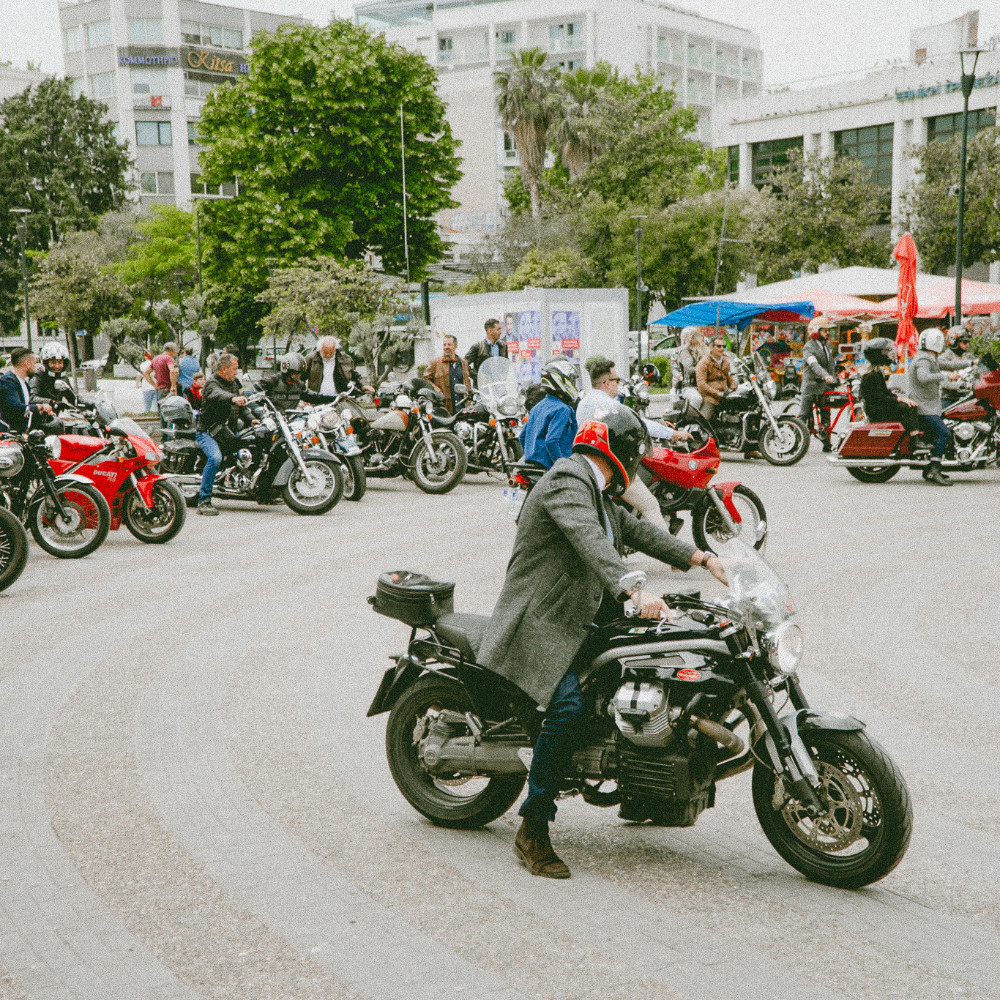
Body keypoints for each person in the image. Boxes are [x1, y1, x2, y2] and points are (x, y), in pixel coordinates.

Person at [479, 405, 728, 878]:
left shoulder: (596, 491)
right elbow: (589, 539)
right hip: (540, 622)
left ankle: (644, 792)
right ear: (626, 456)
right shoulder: (567, 480)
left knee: (643, 667)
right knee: (568, 708)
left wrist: (702, 557)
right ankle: (533, 827)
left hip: (577, 617)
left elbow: (637, 531)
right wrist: (632, 590)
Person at [579, 358, 691, 531]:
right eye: (616, 380)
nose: (618, 384)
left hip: (588, 465)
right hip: (610, 467)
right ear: (607, 383)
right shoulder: (609, 405)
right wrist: (673, 434)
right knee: (650, 505)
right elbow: (639, 422)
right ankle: (668, 546)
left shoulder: (583, 403)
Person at [195, 353, 251, 515]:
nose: (236, 372)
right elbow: (217, 394)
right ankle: (204, 501)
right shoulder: (211, 383)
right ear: (224, 369)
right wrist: (233, 398)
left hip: (226, 431)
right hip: (208, 432)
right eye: (234, 369)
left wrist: (253, 419)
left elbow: (242, 407)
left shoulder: (234, 383)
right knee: (215, 458)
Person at [907, 328, 963, 486]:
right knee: (944, 433)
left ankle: (928, 469)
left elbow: (949, 364)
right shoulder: (924, 360)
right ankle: (934, 469)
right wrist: (945, 376)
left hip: (929, 405)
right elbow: (923, 377)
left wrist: (973, 363)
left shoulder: (929, 357)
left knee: (935, 434)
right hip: (924, 407)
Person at [520, 357, 580, 468]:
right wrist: (560, 465)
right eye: (571, 380)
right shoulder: (562, 409)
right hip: (552, 467)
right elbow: (551, 441)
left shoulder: (538, 406)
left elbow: (522, 436)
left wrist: (532, 457)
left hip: (532, 466)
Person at [858, 339, 924, 439]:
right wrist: (899, 399)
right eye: (885, 352)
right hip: (877, 412)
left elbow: (884, 393)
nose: (888, 355)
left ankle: (907, 436)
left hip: (878, 409)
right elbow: (879, 398)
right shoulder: (871, 376)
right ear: (878, 355)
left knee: (907, 404)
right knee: (910, 407)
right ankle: (915, 439)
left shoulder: (875, 372)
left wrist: (899, 397)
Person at [800, 316, 838, 452]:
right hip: (811, 386)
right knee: (804, 415)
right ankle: (796, 443)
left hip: (824, 387)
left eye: (828, 331)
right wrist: (825, 375)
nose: (828, 333)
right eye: (825, 330)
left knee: (826, 414)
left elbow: (830, 364)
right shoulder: (808, 347)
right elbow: (813, 364)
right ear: (816, 331)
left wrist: (834, 377)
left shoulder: (826, 346)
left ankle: (827, 443)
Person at [1, 348, 55, 432]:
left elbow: (27, 405)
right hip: (9, 433)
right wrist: (40, 407)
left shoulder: (23, 382)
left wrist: (42, 411)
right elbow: (16, 407)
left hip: (22, 432)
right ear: (27, 364)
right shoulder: (8, 381)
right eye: (34, 364)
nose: (35, 367)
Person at [303, 336, 372, 399]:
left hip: (338, 398)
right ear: (320, 349)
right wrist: (305, 398)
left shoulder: (345, 359)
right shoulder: (311, 359)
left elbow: (354, 375)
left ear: (335, 349)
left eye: (331, 352)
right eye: (325, 353)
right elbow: (301, 378)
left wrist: (362, 386)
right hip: (316, 398)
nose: (328, 355)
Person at [424, 335, 473, 414]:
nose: (446, 347)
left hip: (462, 408)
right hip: (444, 408)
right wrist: (436, 390)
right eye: (444, 345)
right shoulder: (435, 363)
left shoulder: (463, 363)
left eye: (449, 344)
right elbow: (425, 379)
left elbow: (467, 383)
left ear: (455, 346)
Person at [694, 336, 737, 423]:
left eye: (724, 346)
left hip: (724, 395)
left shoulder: (725, 361)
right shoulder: (704, 363)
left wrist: (732, 388)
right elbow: (701, 384)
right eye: (719, 346)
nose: (722, 349)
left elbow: (730, 377)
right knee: (704, 421)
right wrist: (717, 393)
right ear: (711, 347)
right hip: (710, 397)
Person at [152, 342, 179, 426]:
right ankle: (169, 432)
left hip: (160, 389)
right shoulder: (169, 358)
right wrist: (173, 386)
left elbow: (146, 373)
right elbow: (172, 371)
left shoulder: (156, 359)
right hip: (167, 388)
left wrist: (155, 385)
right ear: (172, 350)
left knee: (162, 412)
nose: (176, 353)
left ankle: (163, 432)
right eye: (176, 350)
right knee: (170, 411)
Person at [672, 327, 707, 391]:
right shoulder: (684, 351)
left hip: (701, 382)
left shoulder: (699, 350)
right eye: (694, 336)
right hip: (687, 384)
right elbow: (688, 369)